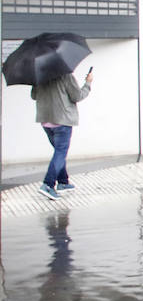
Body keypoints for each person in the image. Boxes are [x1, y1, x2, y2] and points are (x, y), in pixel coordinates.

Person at [32, 67, 93, 201]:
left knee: (58, 153)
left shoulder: (39, 73)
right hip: (62, 121)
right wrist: (88, 83)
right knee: (60, 153)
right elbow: (77, 96)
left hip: (46, 121)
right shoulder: (66, 74)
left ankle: (63, 182)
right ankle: (48, 185)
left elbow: (34, 96)